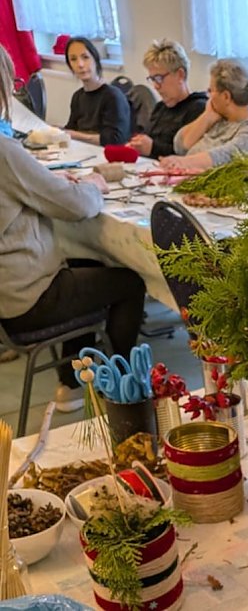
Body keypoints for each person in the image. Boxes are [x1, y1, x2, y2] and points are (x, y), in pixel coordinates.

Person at [0, 45, 145, 413]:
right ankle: (123, 392)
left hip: (8, 294)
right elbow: (75, 207)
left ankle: (72, 383)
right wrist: (92, 185)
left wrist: (52, 185)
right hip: (25, 297)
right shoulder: (4, 152)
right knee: (131, 282)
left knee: (85, 265)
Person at [159, 58, 248, 171]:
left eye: (211, 91)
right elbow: (180, 146)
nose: (208, 96)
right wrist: (207, 116)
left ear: (226, 96)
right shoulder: (219, 117)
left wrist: (180, 162)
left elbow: (223, 158)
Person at [127, 39, 207, 158]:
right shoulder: (160, 108)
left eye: (159, 78)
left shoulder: (198, 109)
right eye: (152, 79)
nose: (155, 86)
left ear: (180, 75)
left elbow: (192, 155)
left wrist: (153, 148)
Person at [63, 36, 131, 145]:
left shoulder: (113, 96)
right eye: (73, 59)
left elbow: (115, 140)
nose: (80, 64)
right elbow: (70, 129)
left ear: (95, 59)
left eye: (85, 57)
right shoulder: (77, 97)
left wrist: (75, 135)